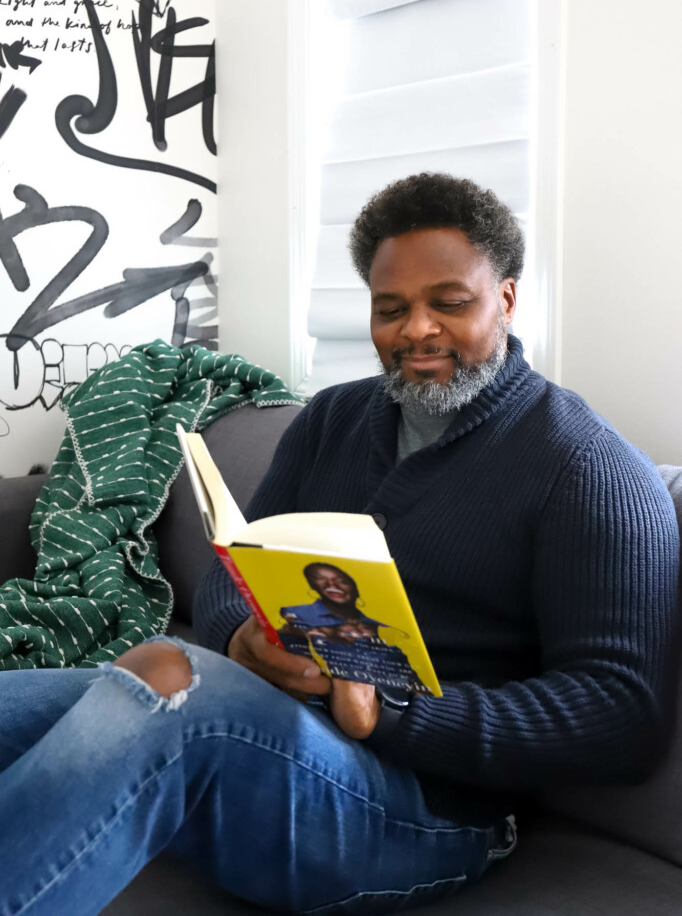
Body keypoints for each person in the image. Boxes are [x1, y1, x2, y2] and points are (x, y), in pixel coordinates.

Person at [0, 173, 678, 916]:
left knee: (166, 675)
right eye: (391, 309)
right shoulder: (333, 418)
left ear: (507, 300)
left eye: (449, 303)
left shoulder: (587, 467)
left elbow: (621, 715)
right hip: (281, 728)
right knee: (73, 692)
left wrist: (392, 711)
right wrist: (242, 641)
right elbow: (238, 564)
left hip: (432, 813)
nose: (416, 329)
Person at [278, 561, 427, 693]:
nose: (331, 585)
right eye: (320, 578)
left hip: (379, 704)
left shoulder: (383, 627)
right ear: (312, 584)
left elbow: (412, 682)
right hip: (302, 687)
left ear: (354, 586)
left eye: (341, 581)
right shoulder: (295, 613)